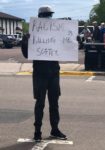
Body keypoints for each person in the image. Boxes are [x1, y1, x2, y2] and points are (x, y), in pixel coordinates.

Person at [21, 5, 67, 141]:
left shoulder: (56, 33)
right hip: (40, 73)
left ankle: (55, 129)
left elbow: (65, 48)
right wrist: (25, 42)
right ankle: (37, 131)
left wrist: (72, 40)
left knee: (54, 103)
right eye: (46, 15)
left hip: (54, 73)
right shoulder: (32, 34)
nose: (49, 18)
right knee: (40, 103)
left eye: (50, 15)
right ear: (40, 17)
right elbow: (26, 54)